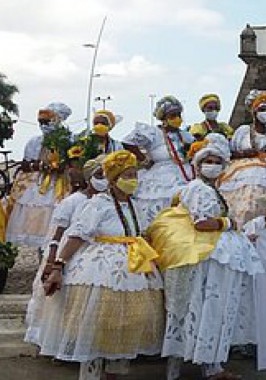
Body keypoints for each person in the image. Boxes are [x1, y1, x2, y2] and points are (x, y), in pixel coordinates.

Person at [39, 150, 164, 380]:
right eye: (127, 175)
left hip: (134, 269)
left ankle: (112, 375)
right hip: (101, 271)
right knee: (95, 331)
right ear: (114, 179)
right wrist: (58, 265)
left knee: (122, 330)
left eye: (135, 174)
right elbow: (77, 235)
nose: (133, 179)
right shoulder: (99, 204)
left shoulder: (136, 206)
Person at [148, 134, 262, 380]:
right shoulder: (197, 189)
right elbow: (202, 223)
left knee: (209, 309)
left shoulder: (211, 189)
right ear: (198, 166)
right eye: (207, 161)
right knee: (203, 309)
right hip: (209, 256)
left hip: (215, 254)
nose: (212, 165)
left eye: (217, 161)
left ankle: (209, 366)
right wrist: (229, 222)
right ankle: (194, 368)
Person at [25, 157, 106, 348]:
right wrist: (53, 258)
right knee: (60, 301)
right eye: (99, 175)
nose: (104, 179)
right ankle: (54, 342)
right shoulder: (73, 201)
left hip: (91, 254)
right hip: (68, 251)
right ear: (88, 178)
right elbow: (57, 232)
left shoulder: (107, 202)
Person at [6, 102, 73, 247]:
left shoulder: (67, 141)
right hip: (34, 186)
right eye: (40, 122)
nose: (43, 125)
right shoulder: (34, 142)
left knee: (54, 215)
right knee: (33, 215)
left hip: (59, 185)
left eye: (47, 122)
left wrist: (57, 166)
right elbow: (24, 164)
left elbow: (69, 164)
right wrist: (40, 166)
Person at [122, 95, 195, 223]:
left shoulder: (185, 135)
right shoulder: (154, 133)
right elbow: (128, 142)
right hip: (160, 176)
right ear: (164, 118)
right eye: (173, 116)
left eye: (179, 115)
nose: (177, 119)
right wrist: (144, 160)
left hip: (185, 173)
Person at [221, 91, 266, 227]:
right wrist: (244, 153)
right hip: (243, 174)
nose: (265, 113)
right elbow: (230, 153)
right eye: (262, 109)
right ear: (254, 111)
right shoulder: (243, 131)